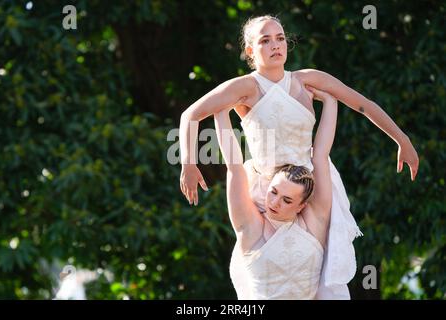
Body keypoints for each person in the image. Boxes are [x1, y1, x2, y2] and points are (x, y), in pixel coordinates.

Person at [179, 15, 419, 298]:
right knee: (272, 266)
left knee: (320, 274)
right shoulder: (246, 87)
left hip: (311, 181)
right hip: (269, 189)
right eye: (265, 40)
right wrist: (188, 163)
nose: (275, 45)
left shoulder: (307, 80)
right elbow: (190, 115)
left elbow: (363, 105)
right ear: (250, 51)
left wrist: (402, 140)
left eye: (280, 38)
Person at [213, 85, 337, 299]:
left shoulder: (314, 224)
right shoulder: (252, 228)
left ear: (301, 206)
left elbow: (321, 156)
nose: (275, 202)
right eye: (273, 192)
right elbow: (234, 166)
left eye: (287, 200)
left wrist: (330, 102)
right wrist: (221, 109)